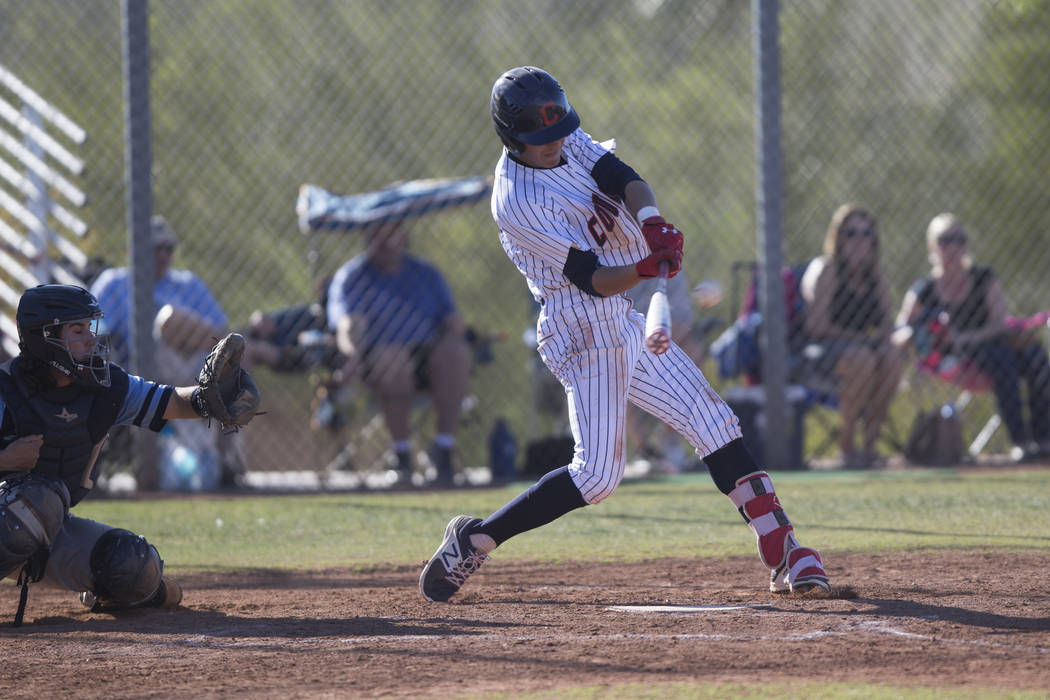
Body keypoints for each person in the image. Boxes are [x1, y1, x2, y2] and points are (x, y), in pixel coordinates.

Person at [418, 66, 830, 603]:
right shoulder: (516, 199)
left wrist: (653, 223)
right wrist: (643, 268)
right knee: (597, 477)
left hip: (621, 318)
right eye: (540, 139)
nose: (555, 143)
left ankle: (784, 547)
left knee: (712, 420)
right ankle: (474, 539)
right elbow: (589, 277)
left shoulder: (564, 137)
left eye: (558, 130)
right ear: (512, 138)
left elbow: (620, 175)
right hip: (580, 327)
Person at [0, 284, 258, 625]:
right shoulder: (6, 390)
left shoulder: (103, 387)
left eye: (90, 327)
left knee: (130, 564)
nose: (91, 339)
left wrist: (208, 400)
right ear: (45, 337)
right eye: (77, 330)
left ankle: (146, 590)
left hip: (48, 528)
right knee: (37, 501)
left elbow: (168, 401)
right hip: (16, 515)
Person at [89, 215, 240, 488]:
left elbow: (220, 331)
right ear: (134, 251)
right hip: (136, 365)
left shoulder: (187, 284)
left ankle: (227, 462)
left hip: (193, 362)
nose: (162, 254)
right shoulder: (114, 283)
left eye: (168, 248)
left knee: (234, 354)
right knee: (167, 321)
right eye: (154, 248)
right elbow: (94, 331)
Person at [326, 220, 471, 485]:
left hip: (427, 357)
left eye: (390, 234)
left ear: (403, 237)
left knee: (455, 352)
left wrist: (456, 329)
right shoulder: (353, 276)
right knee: (394, 360)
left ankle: (442, 449)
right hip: (378, 360)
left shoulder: (426, 274)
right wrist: (352, 355)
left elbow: (452, 320)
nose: (384, 243)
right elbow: (348, 325)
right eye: (376, 235)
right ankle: (401, 454)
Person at [895, 213, 1050, 462]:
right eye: (945, 240)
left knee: (1035, 356)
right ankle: (1021, 441)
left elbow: (999, 323)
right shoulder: (924, 289)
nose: (953, 247)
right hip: (951, 358)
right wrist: (925, 332)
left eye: (959, 239)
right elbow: (901, 327)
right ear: (932, 246)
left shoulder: (983, 279)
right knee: (1003, 361)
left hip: (987, 346)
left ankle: (1044, 439)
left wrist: (963, 337)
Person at [799, 204, 905, 469]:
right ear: (838, 237)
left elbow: (885, 322)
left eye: (866, 234)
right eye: (852, 233)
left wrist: (883, 337)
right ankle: (847, 445)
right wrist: (860, 338)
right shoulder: (827, 270)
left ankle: (869, 444)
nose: (860, 241)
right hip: (822, 351)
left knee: (892, 356)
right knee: (863, 358)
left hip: (864, 348)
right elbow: (816, 326)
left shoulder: (875, 274)